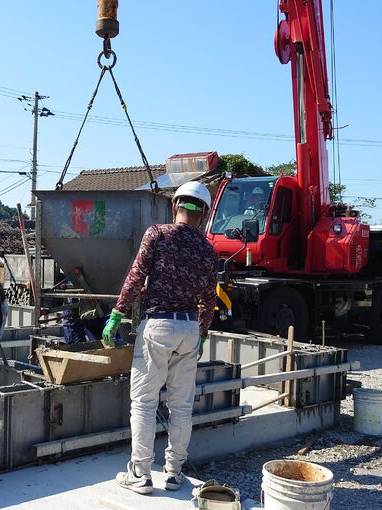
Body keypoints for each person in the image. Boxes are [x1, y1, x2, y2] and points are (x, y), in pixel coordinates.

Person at [103, 181, 218, 495]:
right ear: (204, 214)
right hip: (189, 329)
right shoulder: (209, 251)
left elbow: (136, 274)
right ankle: (174, 472)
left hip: (158, 325)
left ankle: (140, 474)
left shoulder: (158, 234)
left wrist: (117, 314)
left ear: (175, 205)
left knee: (144, 402)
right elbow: (210, 299)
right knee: (181, 406)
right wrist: (202, 333)